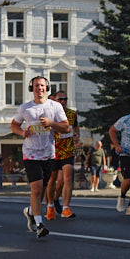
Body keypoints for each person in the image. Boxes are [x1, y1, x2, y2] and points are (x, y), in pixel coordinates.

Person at [11, 75, 67, 238]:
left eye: (42, 86)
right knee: (36, 188)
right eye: (36, 86)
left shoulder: (55, 106)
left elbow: (65, 127)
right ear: (32, 88)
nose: (39, 88)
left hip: (49, 153)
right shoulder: (25, 108)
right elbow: (14, 125)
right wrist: (22, 132)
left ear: (47, 88)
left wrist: (51, 124)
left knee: (42, 189)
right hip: (30, 153)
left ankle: (30, 211)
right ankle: (39, 223)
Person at [46, 90, 79, 218]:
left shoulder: (72, 114)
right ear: (55, 100)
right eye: (60, 99)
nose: (63, 101)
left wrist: (77, 135)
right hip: (53, 151)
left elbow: (76, 126)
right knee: (53, 181)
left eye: (65, 99)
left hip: (67, 151)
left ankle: (66, 208)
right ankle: (50, 206)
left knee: (67, 179)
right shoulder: (50, 115)